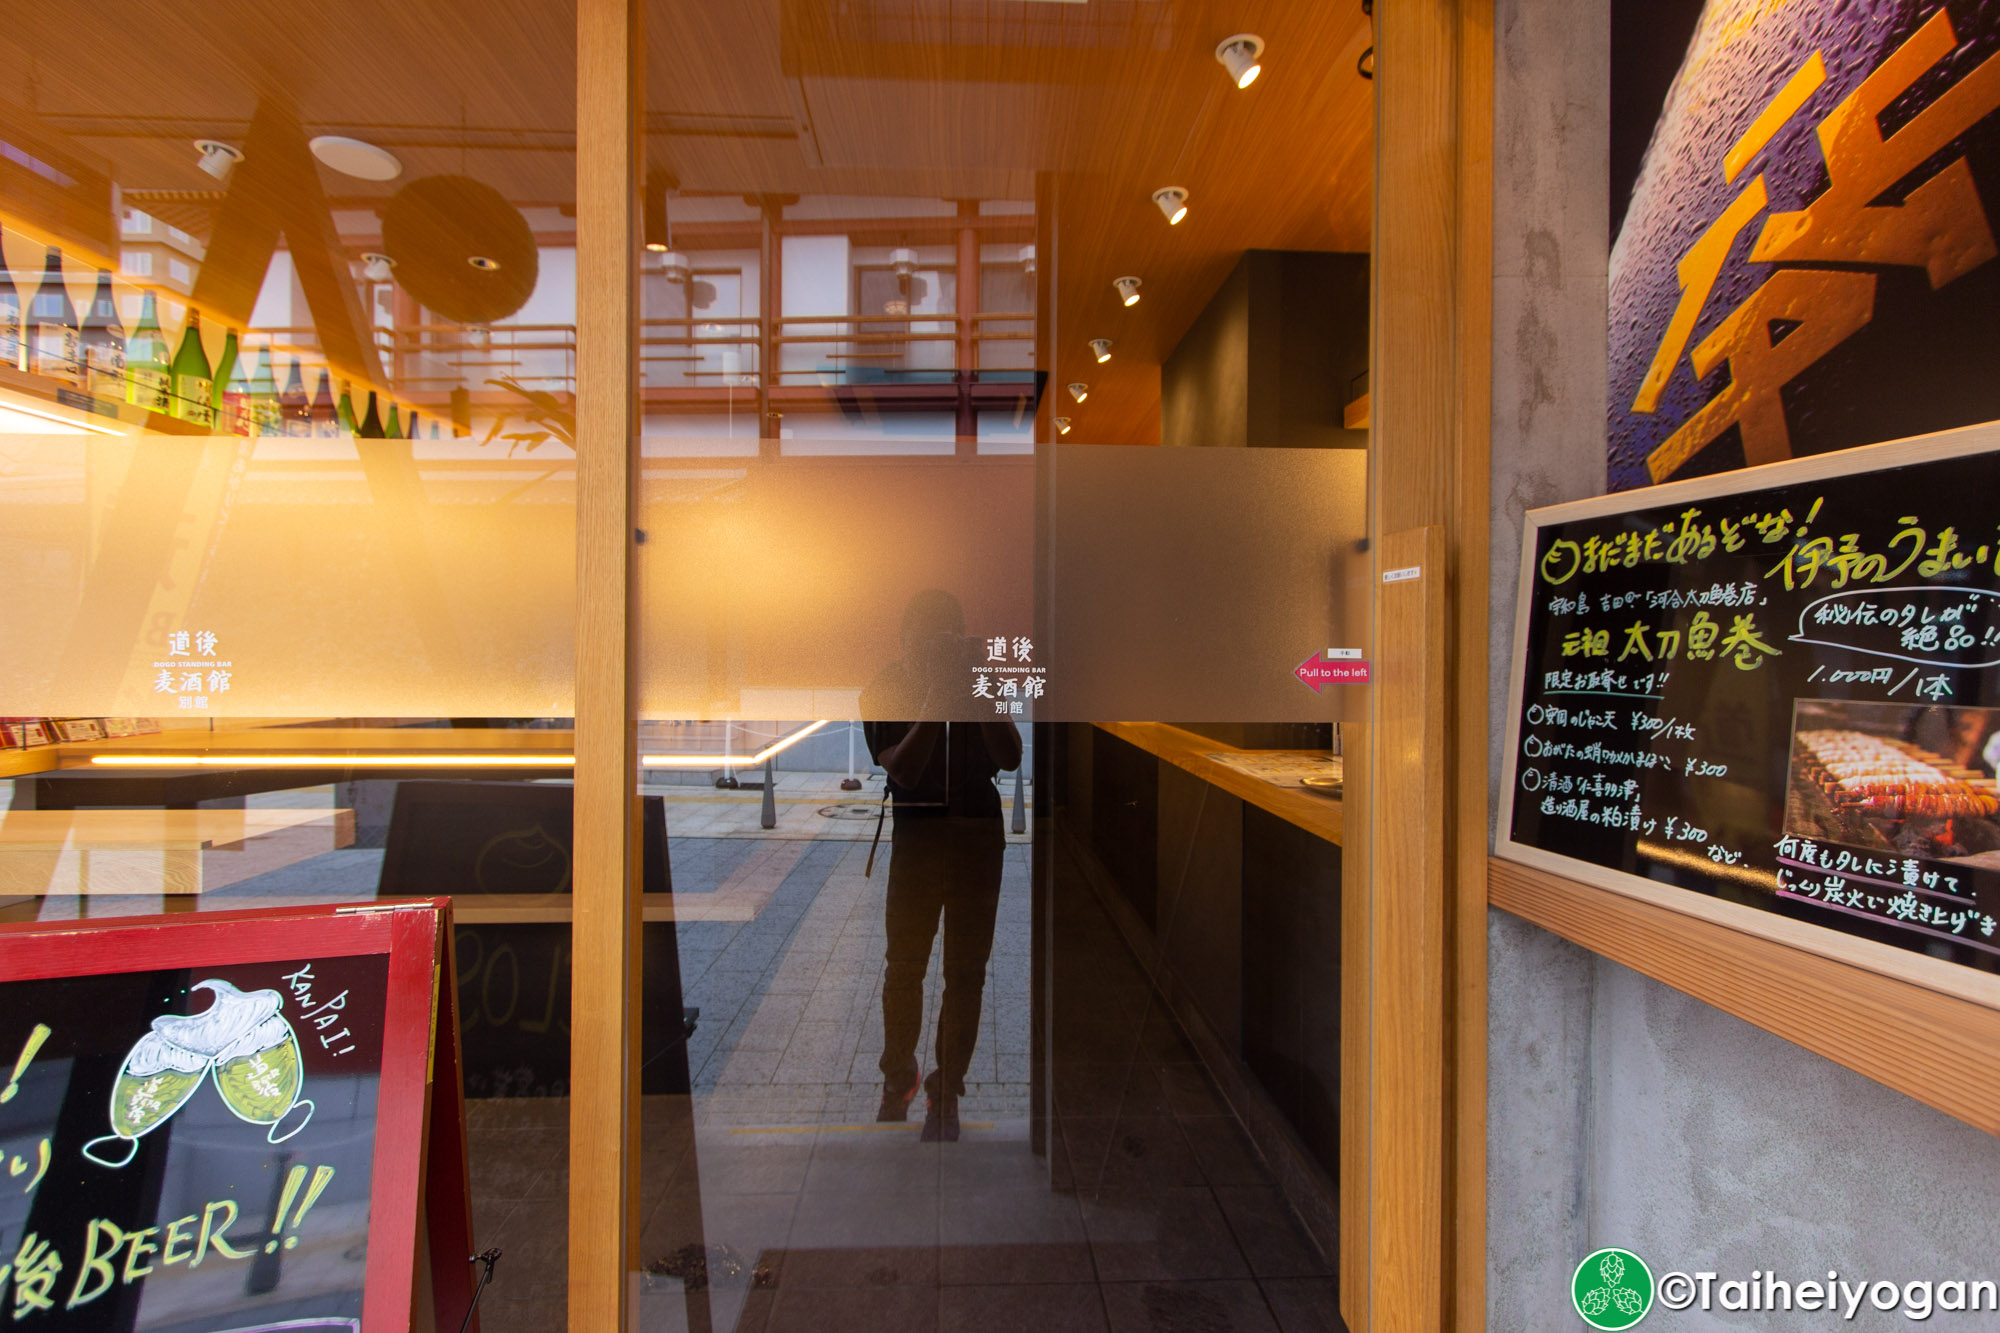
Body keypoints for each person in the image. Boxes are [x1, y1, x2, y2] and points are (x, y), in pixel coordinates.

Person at [861, 590, 1022, 1142]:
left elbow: (1011, 755)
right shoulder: (884, 688)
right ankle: (898, 1075)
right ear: (904, 643)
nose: (932, 654)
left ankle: (946, 1087)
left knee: (966, 971)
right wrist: (937, 696)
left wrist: (974, 690)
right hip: (918, 838)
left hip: (978, 838)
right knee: (904, 965)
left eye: (943, 644)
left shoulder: (977, 681)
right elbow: (903, 769)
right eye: (924, 643)